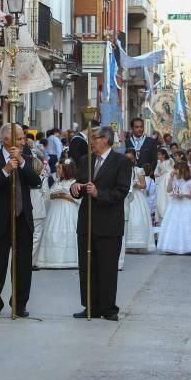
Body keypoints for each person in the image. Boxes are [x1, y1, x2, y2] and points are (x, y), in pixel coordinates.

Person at [70, 126, 132, 321]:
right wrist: (75, 187)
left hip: (109, 222)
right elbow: (79, 185)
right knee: (87, 266)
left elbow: (121, 191)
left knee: (107, 267)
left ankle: (108, 307)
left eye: (94, 138)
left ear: (105, 139)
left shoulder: (121, 162)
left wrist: (99, 194)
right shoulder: (85, 160)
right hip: (87, 221)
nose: (91, 142)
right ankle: (90, 305)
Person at [0, 124, 41, 318]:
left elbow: (35, 181)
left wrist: (22, 162)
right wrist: (5, 170)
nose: (24, 142)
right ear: (6, 140)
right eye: (20, 138)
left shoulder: (27, 159)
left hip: (22, 218)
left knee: (23, 265)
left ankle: (20, 303)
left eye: (23, 138)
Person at [35, 159, 81, 269]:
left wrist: (64, 195)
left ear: (67, 169)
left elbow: (78, 199)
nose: (57, 170)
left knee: (68, 232)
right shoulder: (58, 182)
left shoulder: (73, 182)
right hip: (56, 209)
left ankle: (69, 260)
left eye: (60, 168)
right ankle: (52, 259)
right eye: (57, 168)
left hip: (69, 210)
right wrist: (58, 195)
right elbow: (50, 195)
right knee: (53, 232)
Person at [157, 160, 191, 255]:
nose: (175, 171)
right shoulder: (175, 180)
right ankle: (173, 246)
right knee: (174, 225)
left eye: (176, 169)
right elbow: (168, 190)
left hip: (187, 205)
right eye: (174, 169)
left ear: (182, 170)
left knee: (187, 224)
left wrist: (184, 195)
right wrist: (171, 178)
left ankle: (189, 247)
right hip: (175, 205)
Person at [124, 149, 154, 252]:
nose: (128, 160)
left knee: (137, 219)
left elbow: (144, 185)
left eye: (130, 158)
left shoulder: (139, 170)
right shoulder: (121, 169)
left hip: (136, 197)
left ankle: (138, 243)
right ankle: (126, 244)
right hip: (125, 196)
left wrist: (136, 184)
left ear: (134, 159)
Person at [30, 158, 50, 264]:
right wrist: (45, 209)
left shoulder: (25, 178)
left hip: (27, 211)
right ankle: (30, 262)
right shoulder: (42, 179)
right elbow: (46, 196)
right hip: (38, 211)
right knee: (36, 237)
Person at [154, 148, 174, 223]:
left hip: (169, 177)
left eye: (159, 154)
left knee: (169, 193)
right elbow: (159, 171)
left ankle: (171, 210)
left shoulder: (170, 160)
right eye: (157, 154)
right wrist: (158, 175)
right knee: (162, 194)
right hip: (163, 178)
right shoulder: (158, 162)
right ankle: (163, 210)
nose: (158, 156)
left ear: (164, 155)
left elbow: (174, 168)